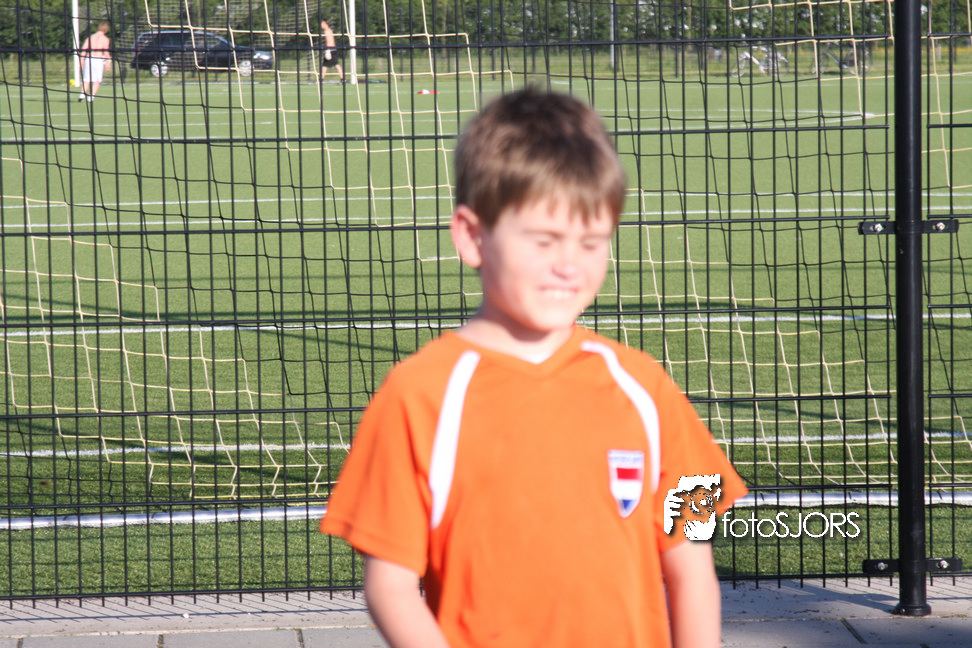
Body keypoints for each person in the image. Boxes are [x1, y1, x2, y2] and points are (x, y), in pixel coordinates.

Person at [320, 87, 748, 648]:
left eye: (591, 243)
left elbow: (692, 567)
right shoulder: (418, 394)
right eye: (544, 241)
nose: (569, 265)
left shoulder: (646, 386)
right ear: (472, 237)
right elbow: (390, 587)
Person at [79, 22, 112, 102]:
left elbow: (84, 50)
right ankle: (91, 96)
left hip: (89, 59)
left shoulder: (90, 38)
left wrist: (81, 61)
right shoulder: (105, 39)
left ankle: (82, 94)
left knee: (87, 79)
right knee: (97, 80)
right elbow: (106, 51)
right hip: (98, 60)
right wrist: (108, 62)